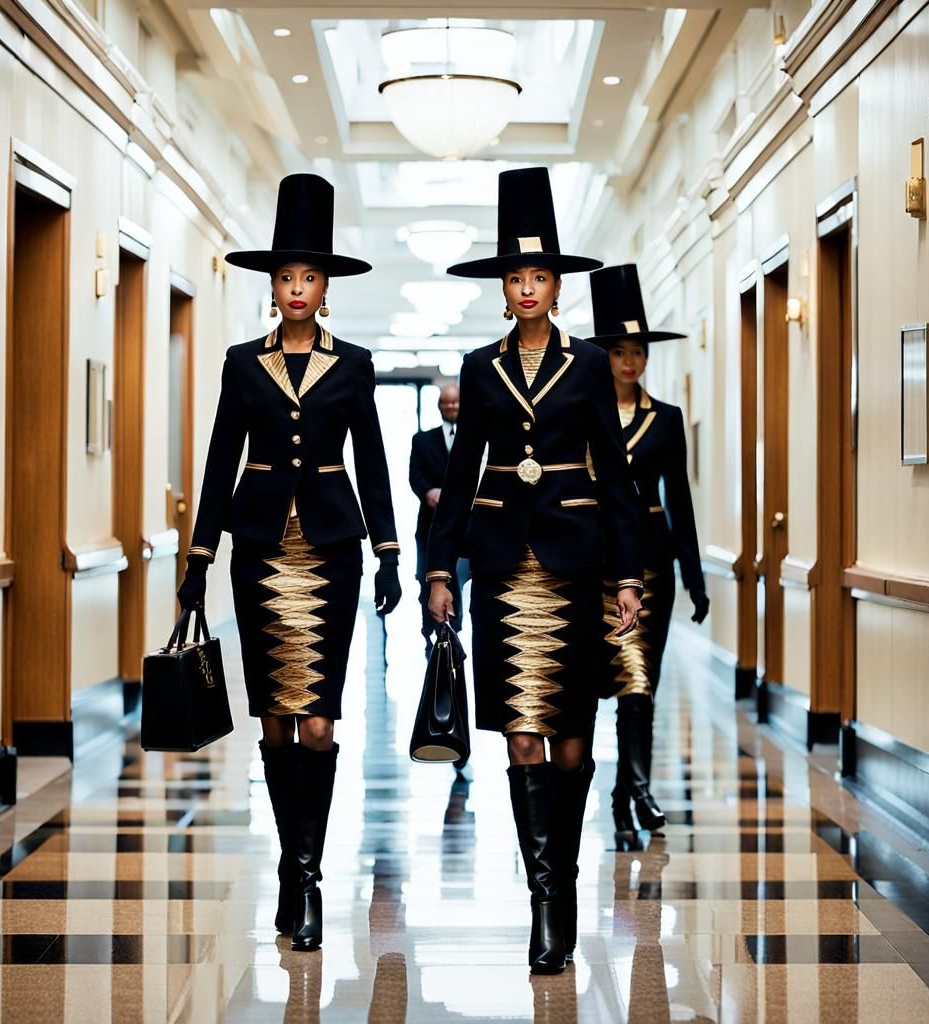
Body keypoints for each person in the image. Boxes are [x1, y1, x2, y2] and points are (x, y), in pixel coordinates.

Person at [176, 173, 402, 953]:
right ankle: (290, 863)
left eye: (309, 276)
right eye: (286, 276)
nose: (298, 288)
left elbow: (371, 459)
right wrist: (198, 559)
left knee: (318, 716)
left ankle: (307, 873)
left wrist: (388, 551)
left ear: (326, 285)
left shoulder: (356, 363)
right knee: (275, 715)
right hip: (262, 554)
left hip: (333, 555)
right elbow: (217, 461)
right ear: (271, 286)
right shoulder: (244, 363)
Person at [426, 167, 643, 974]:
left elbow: (616, 476)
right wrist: (440, 568)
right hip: (503, 570)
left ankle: (566, 880)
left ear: (558, 285)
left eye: (539, 276)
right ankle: (544, 899)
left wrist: (627, 578)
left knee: (574, 748)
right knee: (521, 743)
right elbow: (465, 461)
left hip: (575, 566)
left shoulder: (588, 366)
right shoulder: (481, 369)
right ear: (503, 286)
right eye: (515, 277)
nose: (526, 288)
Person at [585, 264, 709, 835]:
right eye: (619, 351)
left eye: (638, 351)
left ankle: (631, 792)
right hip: (596, 563)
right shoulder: (586, 416)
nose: (630, 361)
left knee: (641, 683)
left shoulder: (667, 419)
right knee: (604, 685)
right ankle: (629, 794)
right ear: (604, 357)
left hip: (652, 566)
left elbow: (678, 497)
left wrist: (694, 575)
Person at [409, 384, 470, 653]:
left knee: (461, 576)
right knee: (429, 576)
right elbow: (415, 475)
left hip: (467, 523)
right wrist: (428, 492)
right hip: (431, 524)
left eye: (455, 403)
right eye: (446, 403)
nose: (451, 407)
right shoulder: (422, 440)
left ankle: (456, 627)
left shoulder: (473, 439)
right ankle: (430, 629)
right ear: (439, 406)